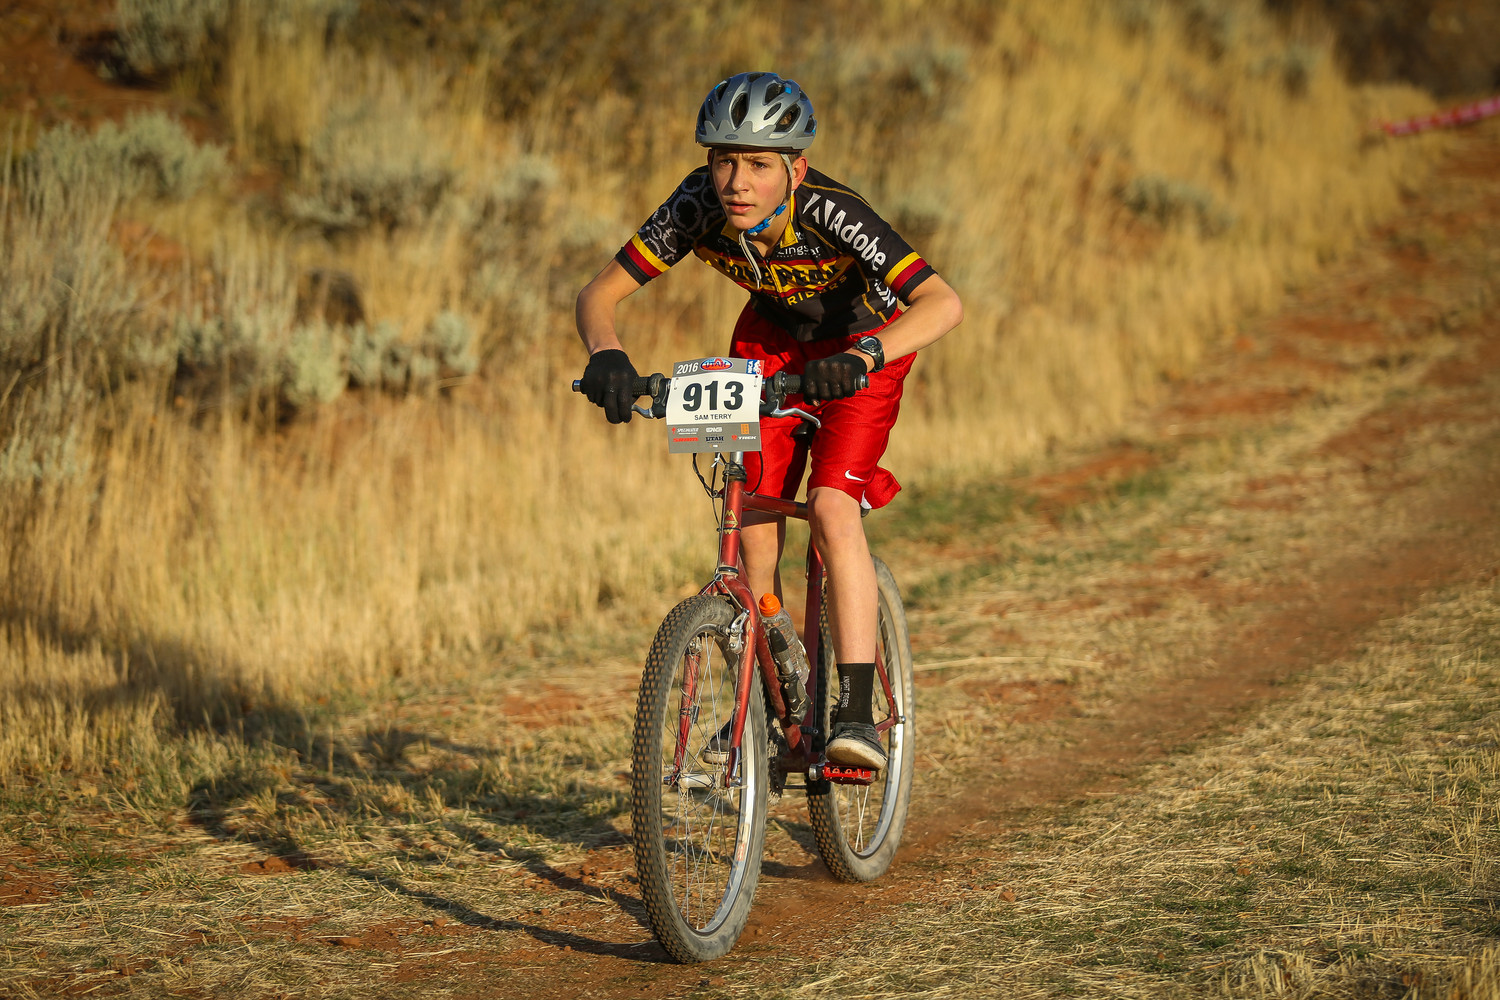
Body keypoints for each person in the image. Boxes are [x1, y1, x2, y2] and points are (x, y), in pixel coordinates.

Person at [576, 72, 962, 770]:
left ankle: (856, 713)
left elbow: (942, 303)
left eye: (758, 164)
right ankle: (773, 696)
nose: (737, 183)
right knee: (748, 515)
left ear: (796, 170)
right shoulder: (696, 204)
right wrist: (607, 354)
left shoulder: (833, 213)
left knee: (831, 507)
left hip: (862, 348)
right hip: (767, 341)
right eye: (723, 161)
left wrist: (866, 354)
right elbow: (599, 293)